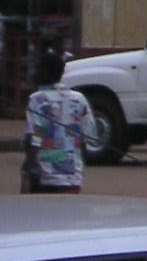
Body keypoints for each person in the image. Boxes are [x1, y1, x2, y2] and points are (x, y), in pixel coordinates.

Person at [23, 50, 103, 192]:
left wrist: (27, 169)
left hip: (46, 177)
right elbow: (91, 135)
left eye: (37, 68)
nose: (33, 73)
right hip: (73, 176)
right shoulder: (79, 99)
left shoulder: (37, 99)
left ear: (46, 72)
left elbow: (35, 138)